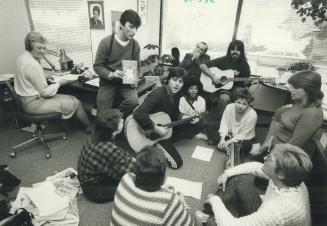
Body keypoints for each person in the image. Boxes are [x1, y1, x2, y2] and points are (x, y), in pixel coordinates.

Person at [203, 143, 312, 226]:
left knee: (216, 222)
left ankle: (212, 215)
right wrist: (227, 173)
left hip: (269, 215)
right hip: (266, 210)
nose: (264, 158)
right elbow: (255, 167)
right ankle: (212, 212)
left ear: (281, 173)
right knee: (238, 178)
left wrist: (214, 199)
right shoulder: (290, 179)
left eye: (269, 159)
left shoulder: (280, 210)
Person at [15, 31, 92, 133]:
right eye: (39, 48)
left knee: (70, 97)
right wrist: (59, 83)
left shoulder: (22, 58)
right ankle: (90, 127)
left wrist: (43, 75)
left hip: (24, 101)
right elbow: (46, 92)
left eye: (44, 48)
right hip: (35, 104)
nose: (43, 51)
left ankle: (67, 125)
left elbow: (27, 77)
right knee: (77, 102)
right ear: (30, 47)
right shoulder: (33, 65)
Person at [110, 145, 199, 226]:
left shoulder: (126, 178)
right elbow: (193, 223)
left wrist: (163, 190)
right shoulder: (170, 201)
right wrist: (183, 203)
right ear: (163, 176)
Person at [253, 70, 324, 158]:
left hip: (286, 159)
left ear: (309, 89)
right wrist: (266, 144)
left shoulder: (312, 114)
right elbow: (280, 118)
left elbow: (293, 146)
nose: (290, 89)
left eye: (295, 87)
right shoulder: (298, 103)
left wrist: (271, 157)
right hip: (273, 149)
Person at [133, 67, 186, 169]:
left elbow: (173, 113)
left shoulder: (177, 95)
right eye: (174, 80)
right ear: (168, 80)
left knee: (191, 126)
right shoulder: (158, 93)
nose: (177, 84)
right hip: (149, 131)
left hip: (163, 126)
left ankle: (156, 147)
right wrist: (155, 128)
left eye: (180, 81)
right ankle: (153, 146)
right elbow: (138, 114)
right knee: (177, 163)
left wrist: (184, 116)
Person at [200, 40, 251, 145]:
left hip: (236, 91)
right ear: (229, 50)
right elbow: (203, 66)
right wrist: (213, 76)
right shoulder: (223, 60)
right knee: (224, 99)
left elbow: (245, 83)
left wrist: (247, 82)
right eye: (233, 49)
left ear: (241, 52)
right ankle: (220, 129)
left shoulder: (244, 65)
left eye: (238, 50)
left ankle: (232, 129)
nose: (235, 52)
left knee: (239, 96)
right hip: (220, 90)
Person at [77, 109, 134, 203]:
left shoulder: (94, 136)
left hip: (85, 180)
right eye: (120, 122)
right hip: (95, 190)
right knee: (133, 183)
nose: (123, 120)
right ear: (114, 131)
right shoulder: (110, 148)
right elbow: (129, 171)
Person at [94, 9, 141, 118]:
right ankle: (106, 122)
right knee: (102, 113)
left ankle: (114, 117)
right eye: (131, 26)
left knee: (133, 101)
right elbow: (97, 66)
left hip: (126, 83)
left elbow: (138, 67)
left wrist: (134, 78)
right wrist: (111, 74)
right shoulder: (106, 42)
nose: (134, 31)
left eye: (136, 28)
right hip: (108, 82)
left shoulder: (135, 45)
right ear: (121, 24)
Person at [217, 87, 257, 156]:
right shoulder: (229, 107)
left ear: (248, 105)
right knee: (212, 125)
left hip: (242, 138)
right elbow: (224, 124)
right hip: (229, 134)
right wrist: (222, 138)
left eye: (244, 104)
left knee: (246, 146)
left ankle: (222, 145)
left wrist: (229, 141)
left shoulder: (253, 115)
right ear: (235, 101)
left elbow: (244, 134)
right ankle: (225, 145)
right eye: (238, 102)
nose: (240, 106)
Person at [175, 76, 210, 140]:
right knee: (178, 124)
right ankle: (195, 134)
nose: (193, 91)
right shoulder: (182, 99)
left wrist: (198, 119)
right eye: (191, 88)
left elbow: (201, 114)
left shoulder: (201, 100)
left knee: (204, 122)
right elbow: (180, 114)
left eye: (196, 89)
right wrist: (187, 119)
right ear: (187, 90)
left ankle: (190, 134)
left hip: (196, 122)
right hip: (185, 122)